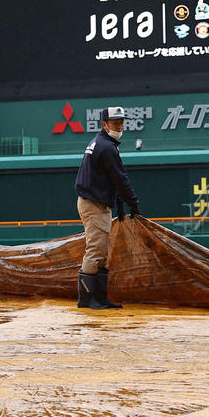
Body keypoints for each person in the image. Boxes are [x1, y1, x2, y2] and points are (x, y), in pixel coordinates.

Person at [74, 106, 142, 310]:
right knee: (95, 251)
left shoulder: (101, 142)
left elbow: (109, 178)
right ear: (104, 124)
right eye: (115, 122)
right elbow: (120, 178)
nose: (120, 125)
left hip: (94, 202)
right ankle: (87, 300)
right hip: (93, 204)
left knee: (101, 251)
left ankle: (100, 299)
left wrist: (120, 203)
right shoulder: (107, 147)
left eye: (121, 122)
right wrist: (132, 202)